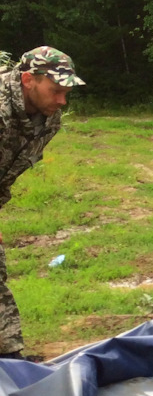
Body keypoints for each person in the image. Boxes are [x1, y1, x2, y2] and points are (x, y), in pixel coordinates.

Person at [0, 46, 84, 357]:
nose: (62, 100)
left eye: (66, 92)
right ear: (27, 80)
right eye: (56, 90)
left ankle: (9, 360)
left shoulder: (49, 121)